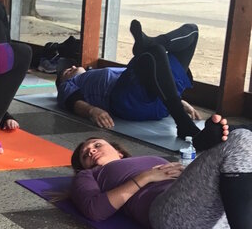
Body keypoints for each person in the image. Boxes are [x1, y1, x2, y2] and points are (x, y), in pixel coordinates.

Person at [70, 123, 252, 229]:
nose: (91, 151)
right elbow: (94, 209)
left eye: (97, 145)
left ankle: (211, 138)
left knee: (242, 139)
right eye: (85, 155)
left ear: (118, 151)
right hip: (172, 217)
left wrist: (190, 169)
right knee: (240, 137)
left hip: (228, 220)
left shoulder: (153, 159)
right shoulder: (90, 174)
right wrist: (146, 177)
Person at [56, 21, 212, 149]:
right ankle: (183, 123)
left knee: (192, 31)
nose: (73, 68)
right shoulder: (70, 83)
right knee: (152, 54)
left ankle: (152, 42)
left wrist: (180, 101)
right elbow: (71, 100)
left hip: (158, 99)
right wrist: (92, 110)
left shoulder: (97, 71)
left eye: (73, 66)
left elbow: (157, 76)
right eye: (68, 71)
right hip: (127, 100)